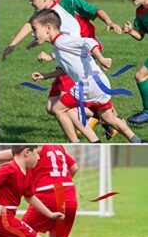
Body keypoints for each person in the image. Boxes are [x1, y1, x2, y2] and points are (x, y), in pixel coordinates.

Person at [2, 0, 121, 140]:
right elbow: (31, 23)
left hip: (79, 54)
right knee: (52, 107)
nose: (29, 2)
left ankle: (100, 127)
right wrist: (13, 44)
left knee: (63, 107)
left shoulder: (68, 1)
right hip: (66, 58)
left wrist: (109, 22)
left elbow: (94, 12)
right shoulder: (45, 10)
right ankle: (103, 119)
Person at [30, 9, 146, 143]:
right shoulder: (58, 45)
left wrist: (101, 58)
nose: (33, 34)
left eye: (35, 29)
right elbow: (67, 69)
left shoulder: (62, 42)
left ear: (48, 28)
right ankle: (137, 141)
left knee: (58, 109)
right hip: (99, 82)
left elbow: (88, 42)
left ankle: (76, 143)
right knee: (109, 118)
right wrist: (45, 76)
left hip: (88, 84)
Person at [0, 145, 79, 237]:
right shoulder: (58, 146)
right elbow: (74, 168)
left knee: (19, 234)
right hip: (69, 196)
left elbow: (16, 152)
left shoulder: (37, 146)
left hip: (48, 195)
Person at [124, 0, 148, 124]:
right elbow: (140, 35)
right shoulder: (139, 11)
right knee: (140, 76)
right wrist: (130, 31)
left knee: (141, 75)